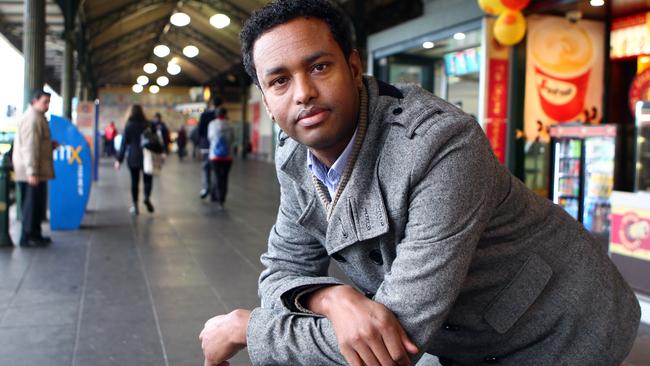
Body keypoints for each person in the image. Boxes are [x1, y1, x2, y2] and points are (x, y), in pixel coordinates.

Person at [199, 1, 641, 366]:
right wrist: (329, 297)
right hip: (459, 332)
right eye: (279, 81)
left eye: (318, 67)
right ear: (267, 99)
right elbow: (281, 269)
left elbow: (397, 335)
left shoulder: (441, 144)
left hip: (562, 324)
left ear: (354, 67)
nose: (302, 93)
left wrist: (248, 328)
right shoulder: (294, 152)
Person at [12, 89, 56, 247]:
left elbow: (38, 145)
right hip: (30, 171)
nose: (47, 105)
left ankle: (35, 234)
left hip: (35, 170)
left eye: (48, 102)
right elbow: (29, 148)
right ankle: (28, 236)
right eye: (45, 102)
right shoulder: (32, 119)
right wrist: (32, 172)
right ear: (34, 101)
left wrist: (50, 146)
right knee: (31, 205)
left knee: (36, 204)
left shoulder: (37, 117)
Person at [115, 105, 158, 215]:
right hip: (147, 156)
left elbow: (124, 144)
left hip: (133, 157)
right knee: (148, 178)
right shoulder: (149, 124)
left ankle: (135, 205)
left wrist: (118, 160)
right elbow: (155, 140)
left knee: (134, 182)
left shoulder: (129, 126)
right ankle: (147, 197)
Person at [207, 108, 234, 207]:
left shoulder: (212, 124)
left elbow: (210, 138)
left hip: (214, 156)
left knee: (217, 176)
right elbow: (232, 139)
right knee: (224, 177)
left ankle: (216, 197)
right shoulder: (230, 124)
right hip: (227, 156)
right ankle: (222, 198)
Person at [198, 97, 222, 198]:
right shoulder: (220, 115)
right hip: (217, 147)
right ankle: (214, 192)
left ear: (211, 103)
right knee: (216, 170)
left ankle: (205, 188)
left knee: (205, 167)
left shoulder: (204, 115)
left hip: (205, 145)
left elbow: (200, 130)